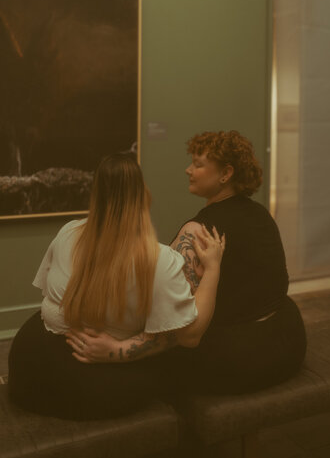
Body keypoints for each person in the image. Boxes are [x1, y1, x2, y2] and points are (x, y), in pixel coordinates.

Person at [68, 131, 306, 395]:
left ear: (226, 174)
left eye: (198, 164)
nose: (188, 170)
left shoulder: (198, 233)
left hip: (242, 360)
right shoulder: (261, 214)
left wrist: (116, 351)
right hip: (288, 343)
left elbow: (175, 326)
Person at [8, 153, 225, 419]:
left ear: (96, 193)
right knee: (170, 371)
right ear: (143, 195)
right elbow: (190, 337)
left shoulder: (68, 231)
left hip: (27, 367)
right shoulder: (159, 261)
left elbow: (50, 294)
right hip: (80, 385)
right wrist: (213, 268)